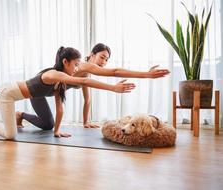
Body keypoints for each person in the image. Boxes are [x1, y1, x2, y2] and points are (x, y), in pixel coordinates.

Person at [0, 47, 136, 139]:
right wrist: (113, 88)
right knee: (9, 135)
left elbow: (60, 108)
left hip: (10, 91)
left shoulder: (59, 83)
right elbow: (84, 80)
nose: (77, 68)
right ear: (65, 62)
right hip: (9, 94)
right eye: (75, 64)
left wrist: (56, 131)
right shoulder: (54, 74)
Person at [14, 43, 170, 129]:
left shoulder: (85, 73)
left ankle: (20, 115)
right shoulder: (82, 66)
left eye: (107, 59)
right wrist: (146, 74)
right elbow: (114, 72)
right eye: (102, 57)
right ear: (92, 54)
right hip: (38, 89)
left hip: (50, 93)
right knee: (49, 125)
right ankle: (19, 113)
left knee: (48, 125)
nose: (104, 62)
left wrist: (85, 122)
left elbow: (87, 100)